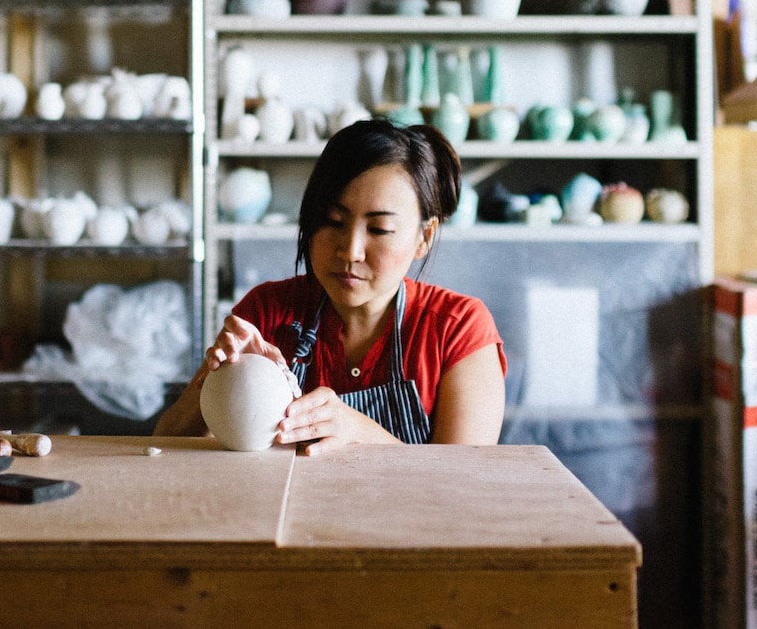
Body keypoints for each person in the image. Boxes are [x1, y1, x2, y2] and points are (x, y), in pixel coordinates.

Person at [154, 119, 506, 453]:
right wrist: (216, 379)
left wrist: (359, 433)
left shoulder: (458, 328)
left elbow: (462, 482)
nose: (349, 251)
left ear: (423, 238)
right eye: (332, 221)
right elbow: (165, 447)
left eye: (379, 229)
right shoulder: (268, 312)